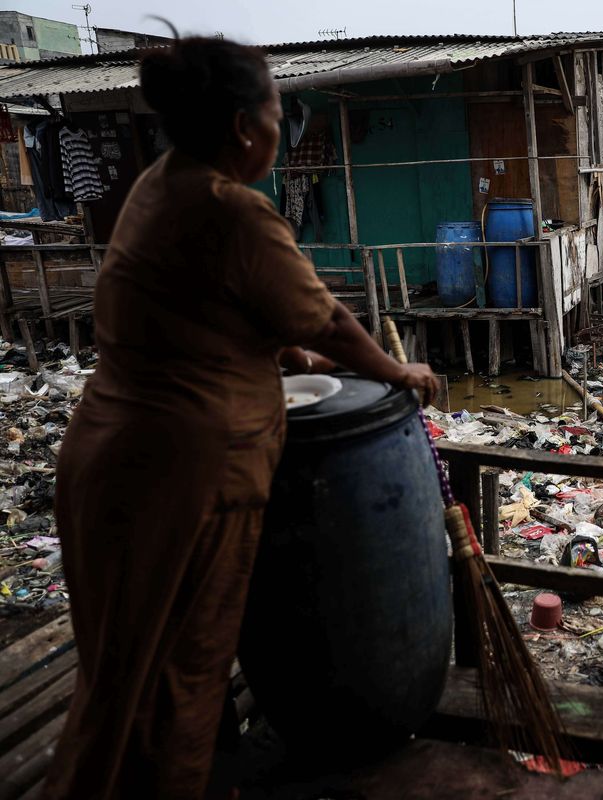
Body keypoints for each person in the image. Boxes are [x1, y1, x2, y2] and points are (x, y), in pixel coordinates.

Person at [42, 34, 439, 800]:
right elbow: (329, 321)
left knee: (124, 678)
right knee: (182, 680)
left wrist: (289, 358)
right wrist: (398, 371)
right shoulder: (234, 212)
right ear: (243, 129)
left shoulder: (162, 185)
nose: (281, 129)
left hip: (109, 460)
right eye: (278, 113)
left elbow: (202, 308)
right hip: (184, 478)